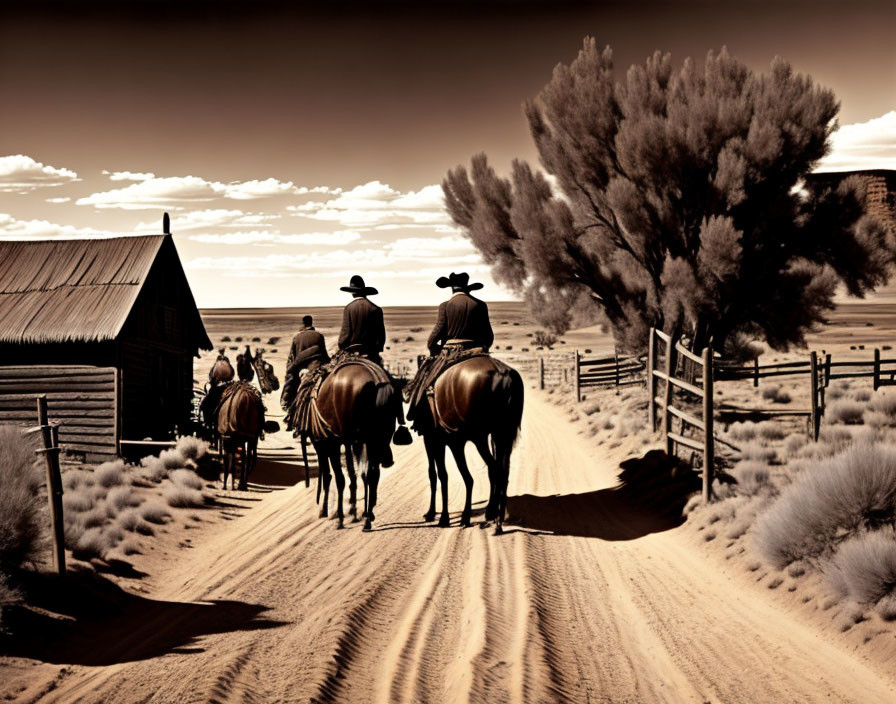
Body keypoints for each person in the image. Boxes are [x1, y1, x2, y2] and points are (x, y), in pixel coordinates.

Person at [406, 272, 494, 421]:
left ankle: (417, 414)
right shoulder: (480, 305)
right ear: (468, 287)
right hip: (477, 351)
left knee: (426, 380)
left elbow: (435, 336)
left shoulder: (445, 306)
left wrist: (433, 348)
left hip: (450, 351)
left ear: (451, 288)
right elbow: (489, 337)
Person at [281, 315, 330, 413]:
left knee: (291, 382)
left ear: (303, 324)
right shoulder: (319, 335)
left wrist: (290, 370)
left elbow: (293, 358)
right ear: (311, 323)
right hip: (317, 366)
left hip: (302, 368)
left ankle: (286, 403)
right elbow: (324, 354)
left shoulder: (297, 337)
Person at [337, 274, 385, 364]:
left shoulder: (348, 308)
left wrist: (341, 346)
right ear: (364, 292)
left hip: (352, 352)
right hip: (371, 353)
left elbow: (345, 335)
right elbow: (381, 336)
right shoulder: (376, 309)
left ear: (352, 293)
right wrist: (377, 350)